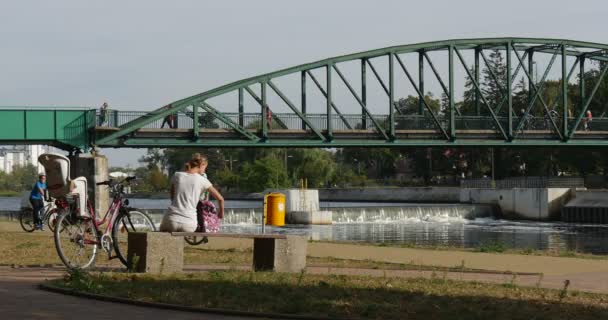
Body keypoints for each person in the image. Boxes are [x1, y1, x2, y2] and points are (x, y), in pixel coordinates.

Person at [160, 154, 224, 232]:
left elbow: (172, 198)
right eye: (205, 168)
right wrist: (221, 213)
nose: (204, 171)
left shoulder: (177, 175)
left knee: (162, 235)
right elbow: (220, 199)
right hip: (189, 224)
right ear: (201, 165)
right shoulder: (203, 180)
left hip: (171, 220)